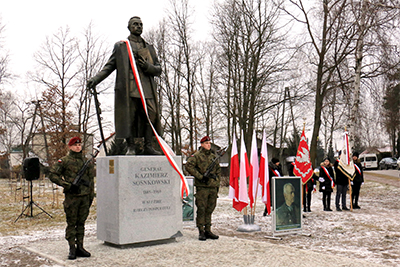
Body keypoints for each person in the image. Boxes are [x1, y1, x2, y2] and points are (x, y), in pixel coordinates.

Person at [87, 16, 162, 155]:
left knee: (151, 115)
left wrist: (147, 66)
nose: (139, 26)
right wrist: (96, 79)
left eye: (141, 24)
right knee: (130, 117)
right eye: (135, 24)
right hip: (129, 88)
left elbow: (158, 69)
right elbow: (109, 66)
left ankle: (148, 146)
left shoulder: (149, 48)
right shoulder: (121, 46)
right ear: (129, 27)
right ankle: (131, 146)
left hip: (147, 89)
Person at [49, 137, 95, 260]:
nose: (78, 147)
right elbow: (52, 174)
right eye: (75, 145)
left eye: (79, 145)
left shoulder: (86, 162)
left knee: (81, 223)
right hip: (72, 197)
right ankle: (72, 248)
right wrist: (67, 185)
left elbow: (90, 181)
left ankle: (80, 246)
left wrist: (91, 195)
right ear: (70, 147)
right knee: (72, 223)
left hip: (85, 197)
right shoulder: (64, 161)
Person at [185, 136, 221, 241]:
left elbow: (218, 170)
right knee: (201, 208)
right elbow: (188, 166)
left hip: (212, 187)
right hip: (202, 187)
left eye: (209, 143)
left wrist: (216, 182)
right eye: (206, 143)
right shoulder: (196, 156)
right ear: (201, 144)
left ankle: (208, 230)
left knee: (210, 208)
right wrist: (201, 177)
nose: (208, 145)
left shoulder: (213, 157)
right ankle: (201, 230)